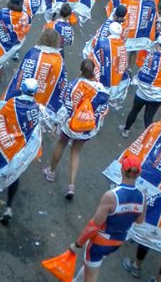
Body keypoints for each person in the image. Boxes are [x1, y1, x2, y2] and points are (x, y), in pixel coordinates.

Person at [65, 155, 146, 282]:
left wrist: (77, 244)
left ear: (122, 170)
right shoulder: (142, 197)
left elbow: (93, 226)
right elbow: (140, 221)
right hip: (117, 242)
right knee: (92, 265)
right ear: (138, 174)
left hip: (99, 242)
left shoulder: (111, 196)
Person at [42, 59, 110, 199]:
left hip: (69, 125)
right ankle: (71, 185)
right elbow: (102, 111)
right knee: (76, 152)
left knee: (61, 144)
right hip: (86, 128)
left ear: (81, 70)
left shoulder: (73, 85)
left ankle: (51, 172)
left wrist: (56, 124)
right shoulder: (101, 90)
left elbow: (65, 107)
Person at [0, 78, 42, 225]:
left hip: (9, 146)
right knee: (14, 174)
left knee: (2, 169)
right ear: (35, 93)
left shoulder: (12, 104)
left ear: (21, 88)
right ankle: (8, 207)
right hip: (24, 149)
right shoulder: (38, 109)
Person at [119, 35, 161, 138]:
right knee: (148, 117)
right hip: (158, 96)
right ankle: (149, 140)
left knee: (134, 110)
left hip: (142, 93)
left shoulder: (151, 56)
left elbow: (142, 74)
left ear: (158, 45)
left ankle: (126, 129)